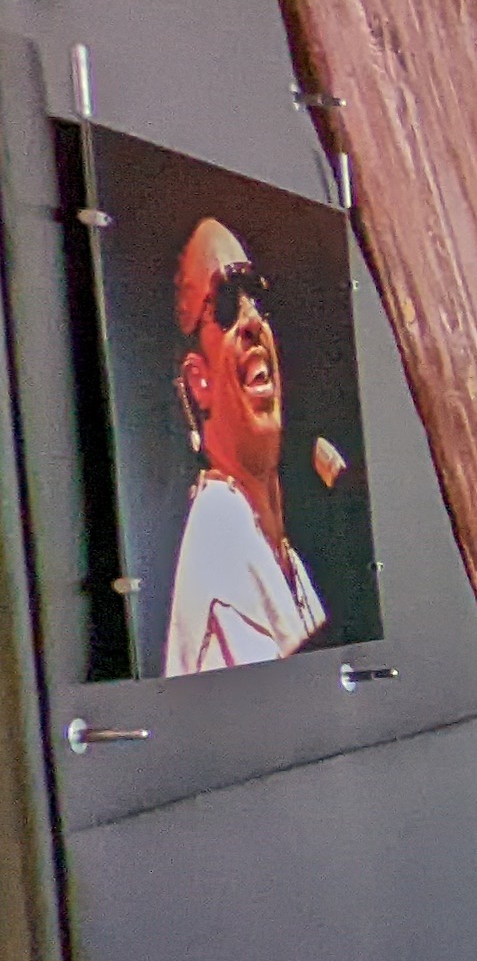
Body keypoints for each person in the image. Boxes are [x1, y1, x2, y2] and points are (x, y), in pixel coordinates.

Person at [161, 219, 328, 674]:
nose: (253, 320)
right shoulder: (221, 536)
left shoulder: (275, 550)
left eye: (256, 296)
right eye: (228, 302)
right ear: (199, 381)